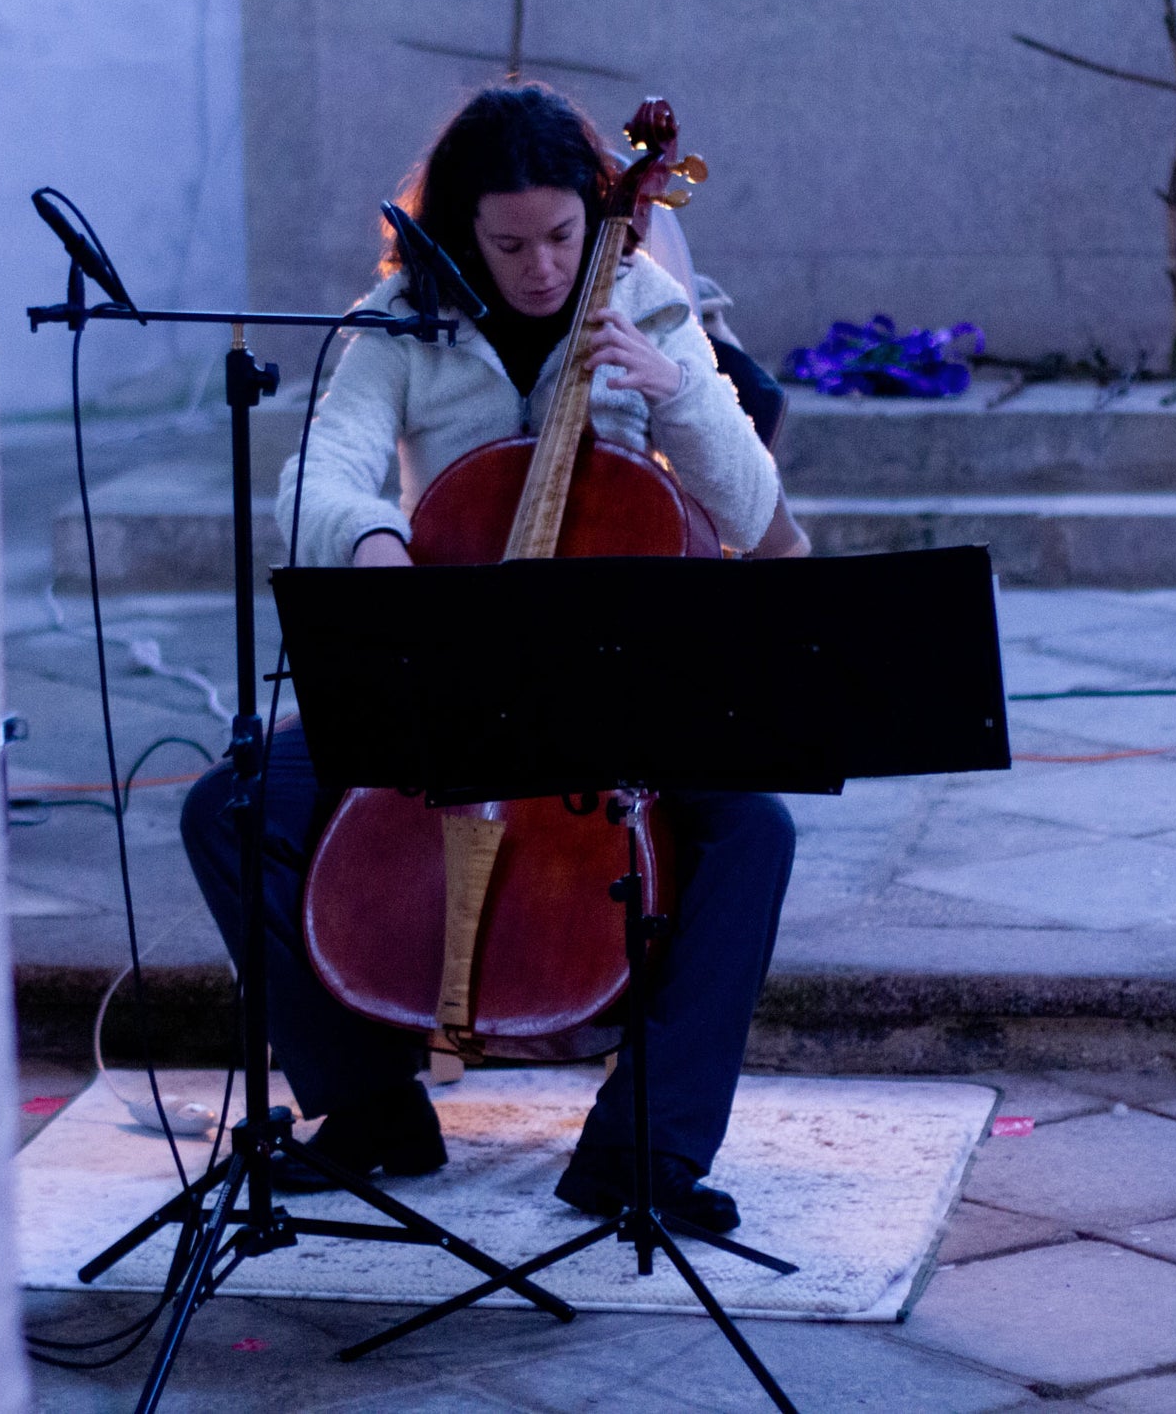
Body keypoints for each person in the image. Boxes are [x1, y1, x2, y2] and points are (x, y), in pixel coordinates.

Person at [180, 83, 797, 1233]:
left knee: (754, 826)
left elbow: (755, 510)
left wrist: (674, 395)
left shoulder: (645, 300)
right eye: (507, 243)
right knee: (227, 805)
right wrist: (368, 539)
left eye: (562, 235)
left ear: (596, 214)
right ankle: (368, 1106)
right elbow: (320, 471)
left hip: (617, 687)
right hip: (451, 682)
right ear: (459, 226)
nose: (541, 268)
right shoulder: (399, 320)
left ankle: (642, 1145)